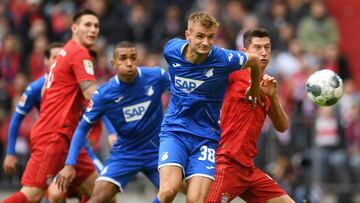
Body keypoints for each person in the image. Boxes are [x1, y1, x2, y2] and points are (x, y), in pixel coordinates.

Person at [154, 11, 261, 203]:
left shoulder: (223, 59)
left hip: (206, 137)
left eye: (211, 37)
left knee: (196, 200)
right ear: (188, 35)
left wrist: (254, 88)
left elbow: (254, 60)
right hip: (174, 131)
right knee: (168, 191)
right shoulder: (171, 50)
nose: (206, 42)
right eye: (200, 36)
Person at [2, 9, 100, 203]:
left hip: (69, 140)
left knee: (102, 192)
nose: (93, 29)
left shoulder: (67, 53)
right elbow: (91, 94)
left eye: (96, 26)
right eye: (87, 25)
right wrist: (122, 95)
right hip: (55, 136)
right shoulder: (78, 53)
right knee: (33, 195)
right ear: (74, 28)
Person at [55, 41, 170, 203]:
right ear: (113, 63)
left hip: (157, 151)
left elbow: (182, 94)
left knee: (180, 191)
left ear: (137, 60)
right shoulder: (104, 94)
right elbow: (82, 128)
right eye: (123, 58)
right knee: (97, 198)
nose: (129, 63)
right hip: (125, 153)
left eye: (133, 58)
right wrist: (69, 163)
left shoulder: (156, 77)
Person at [206, 28, 294, 203]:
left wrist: (272, 98)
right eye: (257, 47)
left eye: (267, 47)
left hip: (248, 169)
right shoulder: (233, 74)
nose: (263, 53)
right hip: (226, 163)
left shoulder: (268, 84)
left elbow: (283, 126)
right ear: (245, 51)